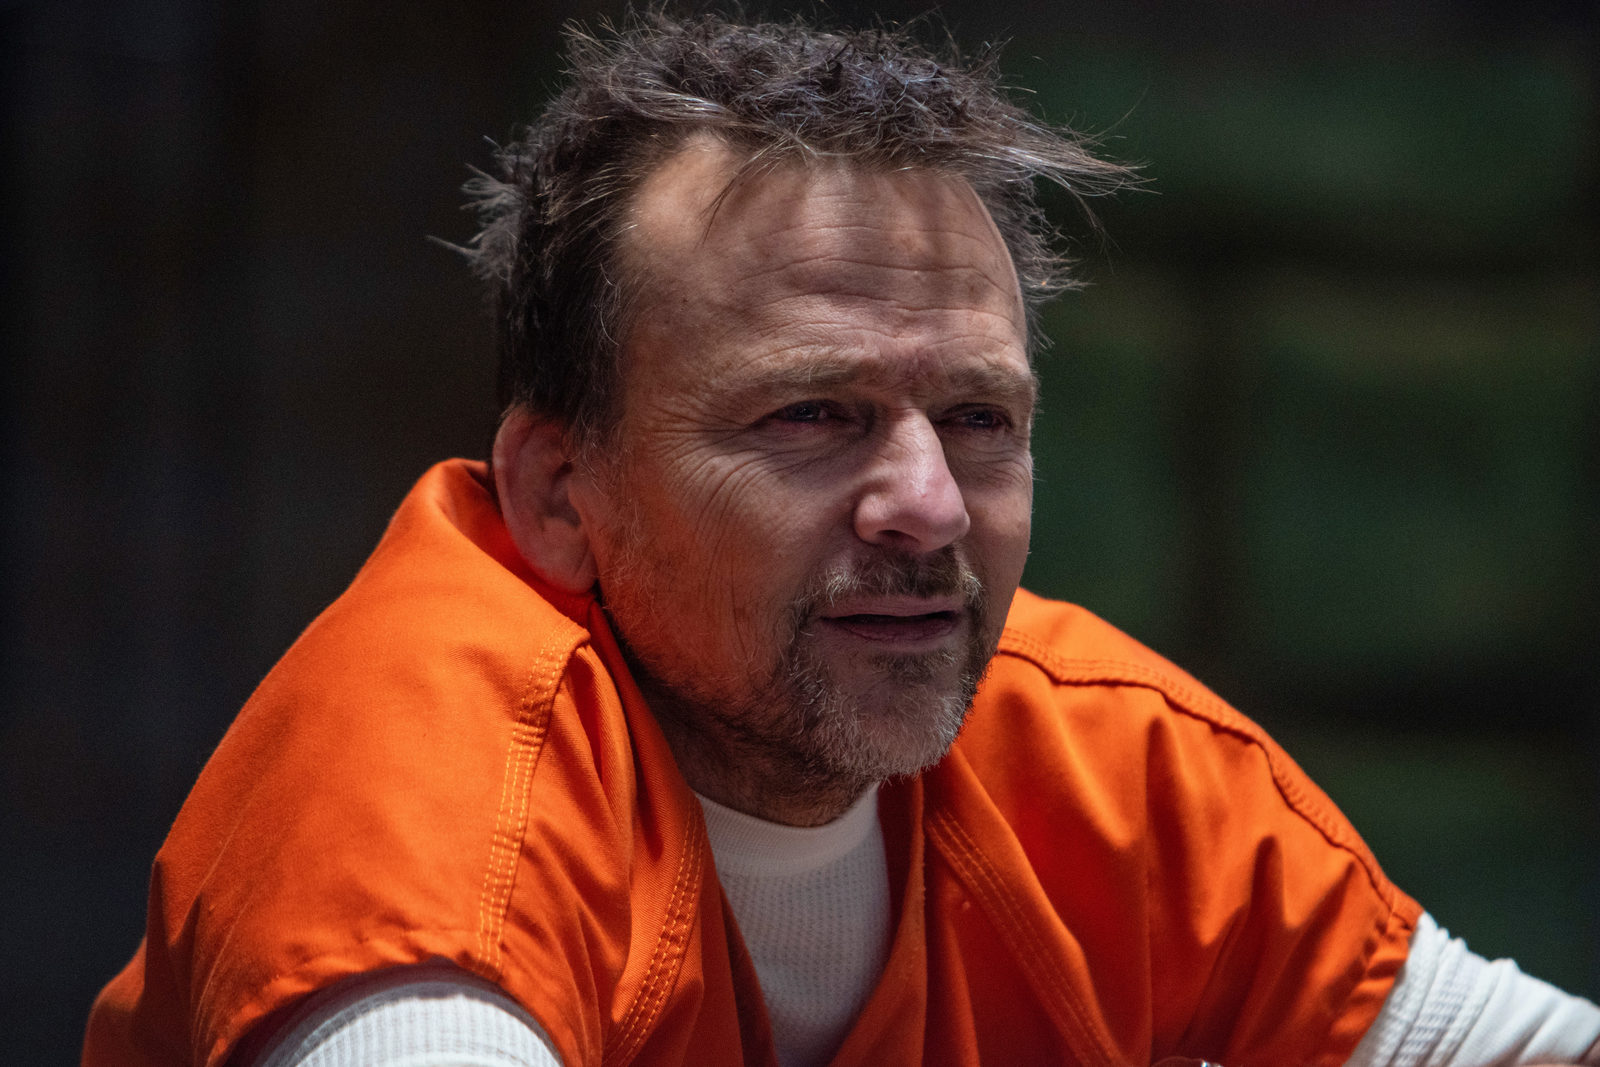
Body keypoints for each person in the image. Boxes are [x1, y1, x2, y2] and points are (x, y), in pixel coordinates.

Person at [84, 11, 1599, 1067]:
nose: (928, 505)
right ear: (558, 494)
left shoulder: (1098, 761)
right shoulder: (428, 792)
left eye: (980, 418)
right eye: (813, 415)